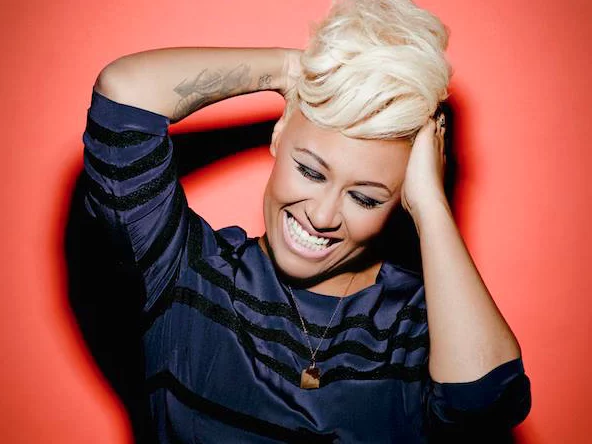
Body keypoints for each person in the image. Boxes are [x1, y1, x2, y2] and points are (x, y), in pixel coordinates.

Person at [82, 0, 531, 441]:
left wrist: (431, 205)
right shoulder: (188, 272)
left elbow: (485, 407)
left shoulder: (415, 327)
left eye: (365, 198)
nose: (321, 215)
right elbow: (123, 95)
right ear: (279, 135)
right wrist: (289, 70)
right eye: (311, 172)